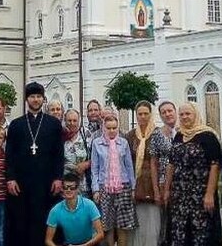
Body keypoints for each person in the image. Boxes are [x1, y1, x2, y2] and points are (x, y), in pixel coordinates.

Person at [5, 82, 65, 246]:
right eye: (32, 96)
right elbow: (9, 154)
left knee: (45, 218)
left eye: (39, 96)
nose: (36, 100)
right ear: (27, 99)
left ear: (43, 99)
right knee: (22, 221)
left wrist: (58, 178)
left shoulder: (53, 124)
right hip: (22, 183)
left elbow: (59, 154)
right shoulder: (16, 125)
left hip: (47, 182)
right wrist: (10, 178)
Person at [163, 102, 222, 246]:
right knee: (179, 232)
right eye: (182, 114)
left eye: (188, 114)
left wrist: (209, 194)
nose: (184, 117)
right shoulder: (179, 136)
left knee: (200, 233)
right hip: (179, 195)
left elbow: (215, 165)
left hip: (200, 194)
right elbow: (171, 164)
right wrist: (166, 189)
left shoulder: (208, 136)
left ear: (195, 114)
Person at [91, 109, 137, 246]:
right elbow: (95, 168)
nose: (111, 131)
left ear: (118, 128)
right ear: (103, 127)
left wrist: (133, 188)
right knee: (108, 224)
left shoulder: (123, 143)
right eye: (108, 128)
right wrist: (95, 189)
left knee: (122, 224)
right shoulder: (97, 143)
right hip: (105, 186)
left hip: (123, 186)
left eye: (114, 128)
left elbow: (129, 166)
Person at [126, 101, 160, 246]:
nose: (143, 116)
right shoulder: (131, 136)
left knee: (153, 222)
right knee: (138, 222)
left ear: (150, 114)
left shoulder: (157, 134)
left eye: (146, 113)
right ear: (136, 115)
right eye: (140, 114)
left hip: (154, 182)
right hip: (136, 182)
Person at [45, 173, 104, 246]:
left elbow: (100, 234)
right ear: (62, 189)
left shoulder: (89, 204)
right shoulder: (55, 210)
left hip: (89, 243)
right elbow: (48, 240)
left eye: (72, 187)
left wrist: (84, 245)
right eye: (65, 187)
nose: (68, 190)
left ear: (78, 189)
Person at [148, 101, 177, 245]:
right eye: (164, 112)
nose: (167, 114)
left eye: (170, 110)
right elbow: (153, 163)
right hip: (163, 182)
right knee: (166, 220)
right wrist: (155, 189)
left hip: (183, 181)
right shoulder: (157, 134)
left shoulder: (185, 131)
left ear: (175, 111)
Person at [62, 109, 91, 196]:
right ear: (65, 121)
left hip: (84, 183)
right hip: (66, 184)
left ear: (79, 121)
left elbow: (94, 155)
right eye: (69, 120)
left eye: (75, 120)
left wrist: (86, 164)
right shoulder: (60, 134)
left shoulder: (85, 133)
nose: (72, 123)